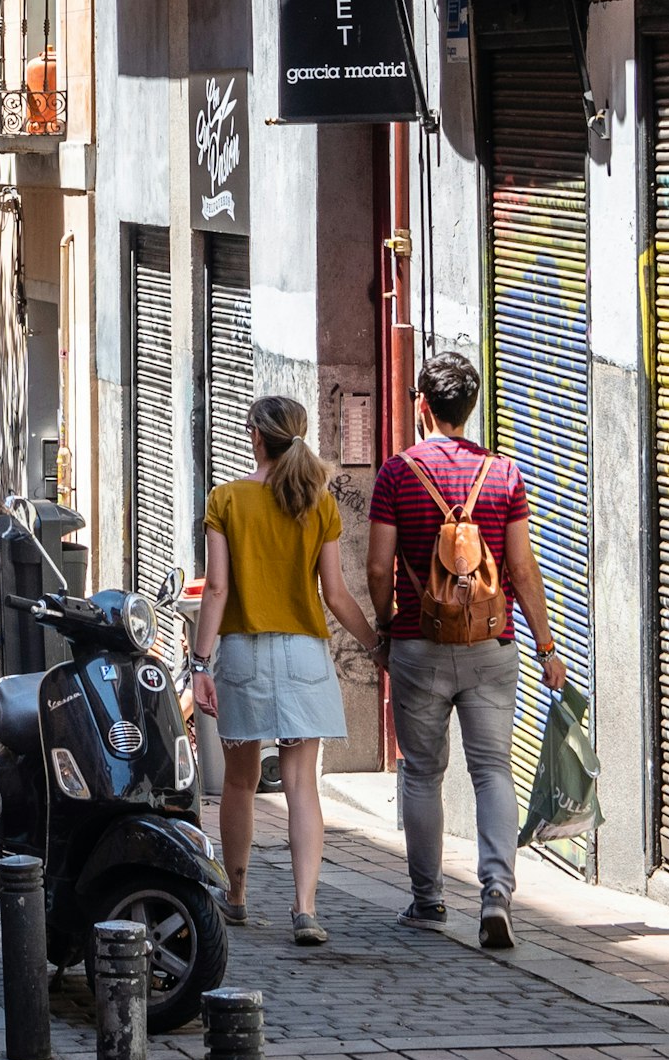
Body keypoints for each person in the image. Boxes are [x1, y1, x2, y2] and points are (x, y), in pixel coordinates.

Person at [366, 352, 569, 950]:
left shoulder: (397, 474)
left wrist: (386, 625)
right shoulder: (504, 475)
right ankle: (496, 895)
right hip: (491, 644)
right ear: (470, 408)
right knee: (492, 771)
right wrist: (548, 646)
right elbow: (523, 570)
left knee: (423, 774)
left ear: (422, 406)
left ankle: (428, 902)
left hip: (418, 645)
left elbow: (378, 565)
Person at [190, 393, 380, 947]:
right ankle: (305, 909)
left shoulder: (226, 499)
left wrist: (200, 662)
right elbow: (337, 593)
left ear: (254, 434)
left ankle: (238, 896)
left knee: (241, 783)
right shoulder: (318, 503)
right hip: (304, 655)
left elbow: (218, 589)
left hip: (244, 654)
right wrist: (373, 645)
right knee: (301, 784)